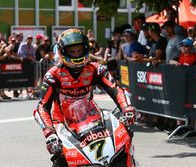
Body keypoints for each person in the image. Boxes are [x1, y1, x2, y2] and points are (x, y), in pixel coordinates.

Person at [33, 29, 135, 167]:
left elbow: (116, 89)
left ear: (86, 49)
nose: (76, 55)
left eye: (79, 51)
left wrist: (126, 108)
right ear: (63, 52)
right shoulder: (53, 75)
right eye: (72, 52)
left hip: (91, 118)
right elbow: (42, 106)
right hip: (62, 125)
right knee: (60, 159)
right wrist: (49, 133)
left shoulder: (96, 69)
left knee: (122, 145)